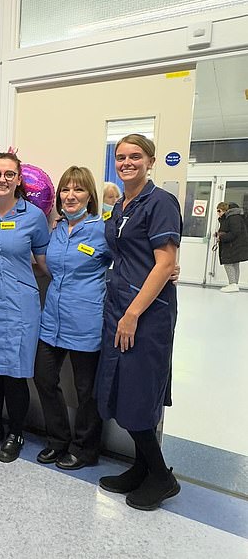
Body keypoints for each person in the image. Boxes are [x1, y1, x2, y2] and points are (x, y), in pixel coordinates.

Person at [95, 133, 182, 511]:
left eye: (135, 156)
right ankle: (142, 467)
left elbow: (164, 262)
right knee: (121, 389)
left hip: (146, 314)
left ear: (150, 160)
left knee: (139, 393)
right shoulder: (120, 205)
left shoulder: (160, 201)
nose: (127, 162)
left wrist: (132, 314)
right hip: (119, 307)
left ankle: (162, 477)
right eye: (121, 157)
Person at [0, 152, 49, 463]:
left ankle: (16, 432)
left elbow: (45, 263)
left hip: (21, 306)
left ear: (19, 179)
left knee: (16, 374)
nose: (2, 179)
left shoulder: (34, 217)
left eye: (8, 174)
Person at [34, 167, 111, 471]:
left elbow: (133, 259)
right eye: (66, 190)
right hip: (52, 317)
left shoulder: (102, 230)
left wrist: (169, 268)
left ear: (90, 195)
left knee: (86, 391)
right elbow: (45, 265)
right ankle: (58, 440)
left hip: (87, 319)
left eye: (78, 190)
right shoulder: (56, 229)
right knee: (43, 377)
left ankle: (85, 448)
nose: (70, 196)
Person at [215, 201, 248, 292]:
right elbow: (228, 230)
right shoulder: (232, 217)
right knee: (235, 264)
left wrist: (222, 237)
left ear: (225, 210)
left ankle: (232, 284)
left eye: (219, 211)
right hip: (235, 245)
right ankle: (234, 284)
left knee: (229, 263)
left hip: (232, 245)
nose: (218, 213)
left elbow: (235, 232)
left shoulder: (233, 217)